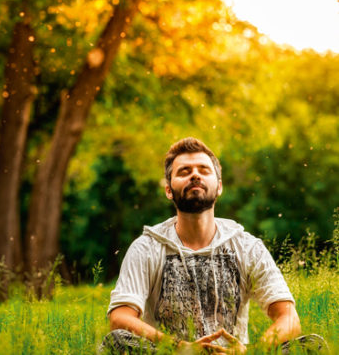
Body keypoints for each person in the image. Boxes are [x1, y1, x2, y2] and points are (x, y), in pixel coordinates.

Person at [100, 137, 323, 354]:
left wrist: (252, 351)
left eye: (204, 170)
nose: (195, 175)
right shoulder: (146, 247)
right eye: (184, 171)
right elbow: (120, 318)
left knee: (313, 345)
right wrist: (180, 348)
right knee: (114, 342)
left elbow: (289, 318)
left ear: (219, 187)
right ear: (168, 190)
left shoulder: (247, 246)